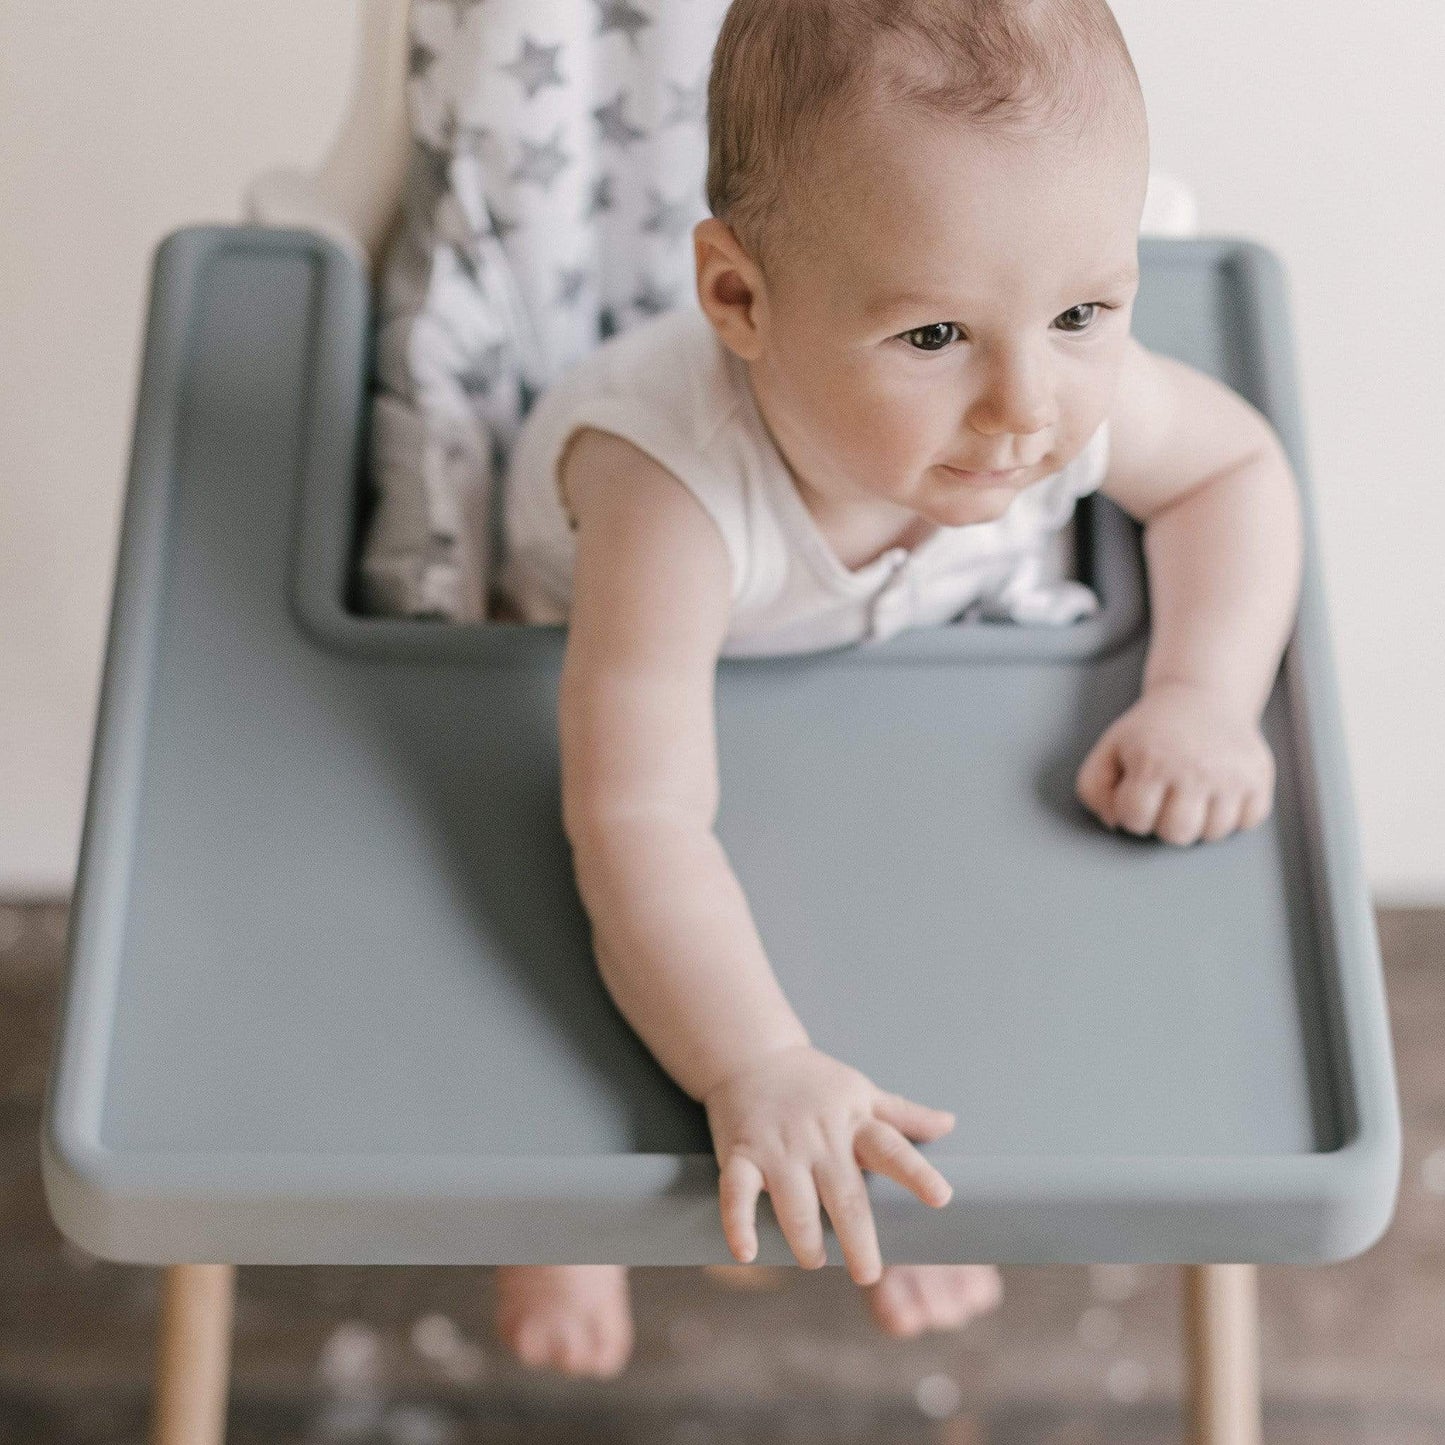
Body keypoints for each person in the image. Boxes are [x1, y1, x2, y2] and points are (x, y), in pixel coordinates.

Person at [489, 0, 1303, 1377]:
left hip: (878, 689)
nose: (1023, 406)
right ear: (739, 300)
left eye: (1082, 312)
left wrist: (1202, 695)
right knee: (573, 916)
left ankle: (894, 1164)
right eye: (933, 337)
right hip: (629, 666)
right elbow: (633, 821)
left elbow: (1236, 472)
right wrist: (749, 1065)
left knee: (954, 895)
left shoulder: (1044, 389)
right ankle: (555, 1200)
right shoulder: (670, 499)